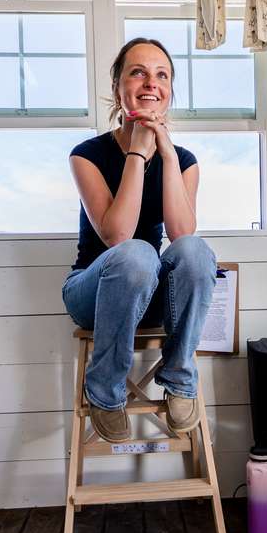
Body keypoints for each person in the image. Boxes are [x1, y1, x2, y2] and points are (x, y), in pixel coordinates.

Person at [62, 38, 216, 443]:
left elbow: (181, 235)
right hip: (93, 293)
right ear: (118, 89)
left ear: (169, 91)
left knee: (195, 250)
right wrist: (137, 153)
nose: (151, 82)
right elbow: (117, 235)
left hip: (151, 294)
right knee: (136, 253)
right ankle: (104, 390)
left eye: (161, 75)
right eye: (138, 72)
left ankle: (180, 380)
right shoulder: (87, 155)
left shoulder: (184, 161)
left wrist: (166, 156)